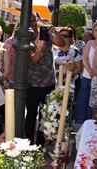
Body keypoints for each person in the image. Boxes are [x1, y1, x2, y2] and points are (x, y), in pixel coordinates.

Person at [25, 13, 64, 145]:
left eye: (34, 20)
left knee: (45, 117)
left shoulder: (45, 32)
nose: (33, 23)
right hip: (32, 84)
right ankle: (28, 146)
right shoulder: (25, 38)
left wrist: (56, 34)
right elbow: (34, 59)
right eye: (29, 21)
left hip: (48, 83)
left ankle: (40, 146)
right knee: (30, 116)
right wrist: (40, 45)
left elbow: (62, 44)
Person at [74, 22, 97, 123]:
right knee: (85, 98)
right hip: (88, 75)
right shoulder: (90, 43)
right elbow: (85, 59)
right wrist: (90, 71)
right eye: (96, 30)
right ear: (93, 32)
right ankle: (82, 120)